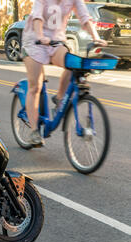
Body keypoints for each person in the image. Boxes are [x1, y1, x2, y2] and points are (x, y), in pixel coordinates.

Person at [21, 0, 107, 147]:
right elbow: (37, 17)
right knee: (35, 86)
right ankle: (34, 131)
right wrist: (41, 36)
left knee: (72, 65)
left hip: (56, 41)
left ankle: (60, 99)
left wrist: (96, 37)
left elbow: (85, 18)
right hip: (35, 40)